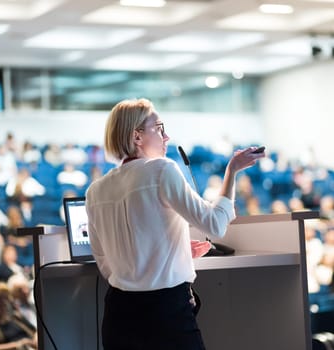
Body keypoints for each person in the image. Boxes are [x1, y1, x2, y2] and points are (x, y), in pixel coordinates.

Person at [85, 98, 265, 350]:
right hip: (165, 312)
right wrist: (232, 171)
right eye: (159, 128)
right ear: (137, 136)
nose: (166, 136)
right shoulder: (161, 169)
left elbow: (105, 261)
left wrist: (175, 251)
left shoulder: (95, 190)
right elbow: (215, 225)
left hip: (119, 313)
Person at [0, 282, 37, 350]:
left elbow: (35, 331)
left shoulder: (16, 318)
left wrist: (36, 340)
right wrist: (18, 345)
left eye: (5, 298)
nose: (4, 302)